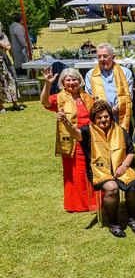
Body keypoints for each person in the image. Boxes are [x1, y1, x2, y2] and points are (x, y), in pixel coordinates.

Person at [67, 100, 135, 238]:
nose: (103, 120)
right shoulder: (88, 131)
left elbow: (131, 152)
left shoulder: (120, 130)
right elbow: (77, 134)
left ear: (110, 116)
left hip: (121, 167)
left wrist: (124, 165)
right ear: (94, 119)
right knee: (112, 188)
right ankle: (113, 223)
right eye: (99, 117)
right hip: (100, 170)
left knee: (133, 184)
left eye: (106, 116)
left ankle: (132, 218)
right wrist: (67, 124)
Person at [41, 67, 95, 211]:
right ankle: (77, 204)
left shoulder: (87, 97)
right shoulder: (59, 97)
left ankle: (94, 201)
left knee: (91, 170)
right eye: (68, 80)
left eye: (74, 79)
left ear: (80, 80)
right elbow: (45, 102)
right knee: (76, 173)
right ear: (63, 83)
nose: (71, 82)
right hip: (71, 142)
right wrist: (47, 84)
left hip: (89, 138)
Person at [84, 43, 133, 131]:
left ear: (113, 57)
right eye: (99, 57)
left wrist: (113, 110)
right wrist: (104, 112)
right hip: (100, 117)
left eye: (105, 56)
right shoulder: (90, 75)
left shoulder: (125, 72)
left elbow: (128, 95)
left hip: (121, 115)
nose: (102, 59)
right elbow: (89, 98)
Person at [0, 23, 23, 112]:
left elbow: (8, 47)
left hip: (5, 63)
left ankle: (15, 104)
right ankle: (1, 107)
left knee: (12, 80)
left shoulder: (3, 36)